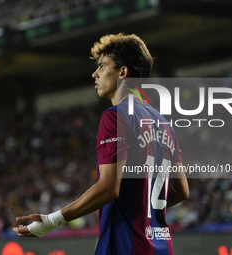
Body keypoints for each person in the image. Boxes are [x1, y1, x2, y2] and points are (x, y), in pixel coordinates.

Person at [12, 33, 189, 255]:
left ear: (122, 72)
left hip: (126, 246)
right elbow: (182, 191)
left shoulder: (115, 116)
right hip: (163, 247)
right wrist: (143, 211)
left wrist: (52, 220)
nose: (95, 73)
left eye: (103, 66)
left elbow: (108, 188)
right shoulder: (165, 124)